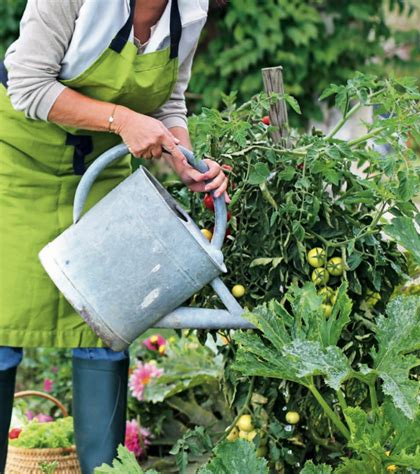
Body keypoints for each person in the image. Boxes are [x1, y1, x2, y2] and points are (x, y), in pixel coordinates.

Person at [0, 1, 227, 472]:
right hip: (17, 166)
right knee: (1, 322)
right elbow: (27, 84)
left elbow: (168, 101)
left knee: (106, 325)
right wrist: (121, 119)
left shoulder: (189, 11)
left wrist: (180, 153)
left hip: (101, 172)